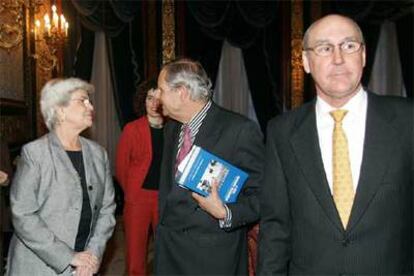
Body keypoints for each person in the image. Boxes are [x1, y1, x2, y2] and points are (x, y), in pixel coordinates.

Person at [258, 14, 413, 275]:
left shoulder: (407, 120)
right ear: (306, 61)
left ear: (363, 55)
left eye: (349, 45)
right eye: (325, 48)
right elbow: (276, 227)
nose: (338, 58)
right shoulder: (282, 131)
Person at [153, 58, 264, 275]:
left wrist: (226, 213)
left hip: (212, 258)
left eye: (161, 89)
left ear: (182, 92)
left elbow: (264, 194)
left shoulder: (239, 130)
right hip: (170, 252)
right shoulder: (172, 129)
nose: (157, 96)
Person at [6, 78, 116, 276]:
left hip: (85, 266)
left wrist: (93, 254)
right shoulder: (35, 154)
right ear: (60, 110)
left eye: (89, 100)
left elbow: (107, 209)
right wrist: (68, 257)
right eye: (82, 100)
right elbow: (23, 214)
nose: (90, 106)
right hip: (39, 266)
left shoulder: (99, 154)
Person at [116, 79, 164, 275]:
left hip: (165, 199)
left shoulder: (174, 128)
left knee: (166, 252)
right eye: (149, 98)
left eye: (158, 99)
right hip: (138, 199)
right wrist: (132, 193)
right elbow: (120, 167)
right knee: (136, 256)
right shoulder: (132, 129)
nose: (153, 104)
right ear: (143, 101)